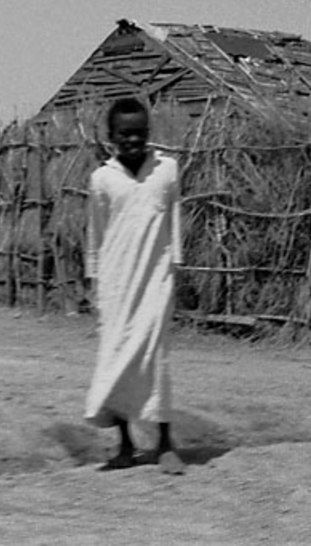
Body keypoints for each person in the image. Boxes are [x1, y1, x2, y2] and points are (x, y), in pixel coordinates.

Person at [84, 97, 186, 474]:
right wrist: (94, 278)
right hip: (116, 284)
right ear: (111, 137)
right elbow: (96, 235)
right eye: (125, 134)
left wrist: (176, 267)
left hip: (156, 281)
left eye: (140, 133)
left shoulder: (167, 170)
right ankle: (125, 445)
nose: (133, 140)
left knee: (156, 360)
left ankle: (165, 444)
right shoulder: (102, 180)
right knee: (117, 358)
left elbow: (174, 221)